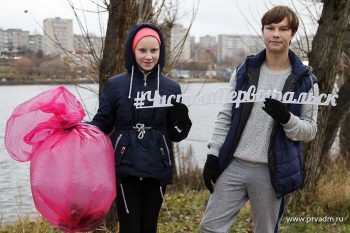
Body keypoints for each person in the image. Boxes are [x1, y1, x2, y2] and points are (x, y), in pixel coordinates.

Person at [200, 6, 319, 233]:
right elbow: (225, 115)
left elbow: (310, 130)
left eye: (283, 29)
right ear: (263, 31)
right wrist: (213, 155)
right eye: (270, 28)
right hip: (234, 164)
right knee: (210, 227)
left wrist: (286, 119)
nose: (276, 34)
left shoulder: (306, 81)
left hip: (270, 171)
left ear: (292, 34)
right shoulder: (244, 71)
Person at [90, 23, 192, 233]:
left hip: (157, 167)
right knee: (129, 227)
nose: (148, 56)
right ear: (132, 51)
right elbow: (101, 124)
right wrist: (76, 130)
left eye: (153, 51)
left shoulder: (171, 87)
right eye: (142, 50)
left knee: (149, 227)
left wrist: (183, 121)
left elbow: (175, 133)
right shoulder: (115, 85)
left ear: (160, 52)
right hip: (124, 166)